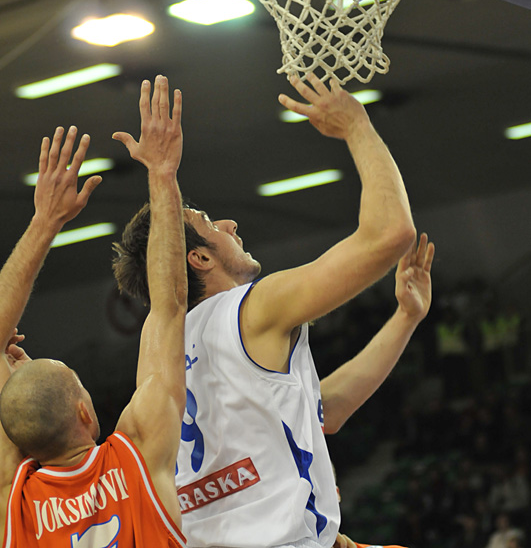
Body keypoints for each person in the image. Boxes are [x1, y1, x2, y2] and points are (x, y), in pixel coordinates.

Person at [113, 72, 434, 548]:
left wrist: (405, 318)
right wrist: (357, 125)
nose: (230, 222)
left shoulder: (155, 353)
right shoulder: (253, 308)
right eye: (209, 222)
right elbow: (390, 233)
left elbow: (323, 411)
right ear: (198, 259)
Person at [0, 76, 187, 548]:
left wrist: (44, 223)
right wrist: (162, 173)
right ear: (85, 410)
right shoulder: (136, 454)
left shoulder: (11, 503)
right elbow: (168, 308)